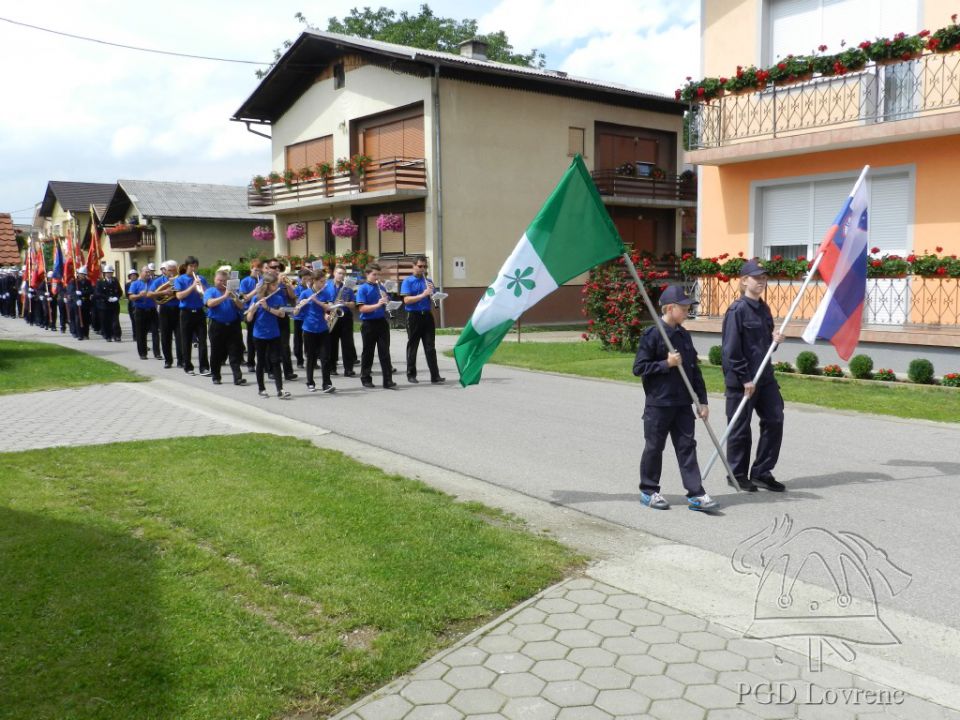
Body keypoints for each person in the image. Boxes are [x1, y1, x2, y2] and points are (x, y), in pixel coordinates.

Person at [632, 285, 718, 512]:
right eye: (684, 307)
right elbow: (639, 368)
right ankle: (649, 490)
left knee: (687, 447)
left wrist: (702, 400)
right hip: (659, 403)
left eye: (689, 307)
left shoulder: (683, 334)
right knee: (654, 448)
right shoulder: (652, 335)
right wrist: (666, 364)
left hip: (683, 403)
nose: (688, 311)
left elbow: (694, 370)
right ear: (670, 308)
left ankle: (696, 494)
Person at [721, 259, 787, 493]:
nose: (761, 281)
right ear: (744, 280)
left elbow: (762, 346)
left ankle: (761, 472)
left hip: (765, 377)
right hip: (743, 380)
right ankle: (737, 474)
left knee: (775, 419)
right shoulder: (737, 310)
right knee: (740, 428)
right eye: (756, 277)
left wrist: (774, 341)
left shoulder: (764, 308)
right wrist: (744, 378)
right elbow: (730, 351)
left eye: (763, 278)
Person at [245, 270, 291, 398]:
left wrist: (268, 308)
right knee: (260, 362)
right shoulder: (256, 298)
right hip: (259, 335)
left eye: (276, 284)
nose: (276, 287)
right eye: (274, 285)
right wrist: (252, 310)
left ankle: (280, 390)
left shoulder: (278, 297)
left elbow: (282, 314)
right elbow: (248, 319)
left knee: (276, 361)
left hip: (274, 334)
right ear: (267, 285)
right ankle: (262, 389)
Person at [400, 256, 444, 384]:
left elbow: (432, 297)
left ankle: (435, 376)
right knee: (413, 346)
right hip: (413, 316)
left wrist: (434, 296)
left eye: (425, 266)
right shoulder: (408, 281)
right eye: (420, 266)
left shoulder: (428, 281)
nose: (423, 269)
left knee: (430, 346)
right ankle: (411, 374)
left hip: (427, 316)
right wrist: (423, 294)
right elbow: (406, 300)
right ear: (414, 266)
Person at [355, 263, 396, 389]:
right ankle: (366, 378)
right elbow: (362, 308)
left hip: (382, 322)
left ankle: (387, 380)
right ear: (367, 274)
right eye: (374, 274)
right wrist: (377, 305)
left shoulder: (381, 288)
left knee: (385, 352)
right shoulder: (362, 289)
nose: (377, 277)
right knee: (368, 352)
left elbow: (387, 304)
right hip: (368, 323)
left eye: (378, 274)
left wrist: (388, 302)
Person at [204, 268, 247, 386]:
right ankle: (216, 376)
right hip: (217, 325)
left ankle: (238, 378)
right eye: (219, 280)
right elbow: (209, 303)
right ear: (214, 280)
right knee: (216, 352)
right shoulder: (211, 291)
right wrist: (224, 296)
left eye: (223, 280)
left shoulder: (233, 292)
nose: (221, 282)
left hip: (233, 325)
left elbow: (241, 306)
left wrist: (234, 297)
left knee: (235, 352)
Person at [295, 271, 335, 393]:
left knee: (325, 358)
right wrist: (300, 305)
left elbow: (328, 308)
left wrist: (325, 314)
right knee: (311, 357)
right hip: (309, 329)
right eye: (321, 282)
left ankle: (326, 384)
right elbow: (296, 313)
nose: (324, 284)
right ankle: (310, 382)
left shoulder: (326, 292)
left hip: (323, 329)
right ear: (314, 281)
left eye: (325, 281)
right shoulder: (305, 293)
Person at [174, 256, 210, 376]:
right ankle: (188, 366)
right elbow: (179, 296)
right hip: (186, 312)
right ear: (186, 266)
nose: (193, 269)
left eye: (195, 266)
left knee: (203, 340)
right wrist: (193, 286)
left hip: (199, 312)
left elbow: (207, 294)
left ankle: (204, 367)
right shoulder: (180, 280)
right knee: (186, 340)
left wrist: (202, 286)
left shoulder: (202, 278)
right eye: (191, 266)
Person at [325, 265, 358, 376]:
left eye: (343, 274)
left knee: (347, 344)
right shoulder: (326, 285)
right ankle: (332, 368)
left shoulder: (348, 287)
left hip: (345, 317)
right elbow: (323, 301)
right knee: (332, 344)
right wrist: (327, 308)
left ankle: (348, 369)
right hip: (332, 316)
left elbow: (353, 304)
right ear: (334, 273)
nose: (341, 276)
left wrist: (345, 303)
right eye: (339, 273)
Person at [150, 260, 182, 368]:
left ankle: (181, 360)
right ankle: (168, 360)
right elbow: (150, 294)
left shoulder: (180, 280)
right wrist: (163, 292)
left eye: (173, 270)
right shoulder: (159, 281)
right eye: (169, 270)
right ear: (165, 271)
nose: (171, 272)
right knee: (165, 336)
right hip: (165, 309)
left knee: (180, 336)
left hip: (178, 309)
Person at [127, 267, 158, 360]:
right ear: (141, 273)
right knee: (141, 333)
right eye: (146, 272)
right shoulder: (135, 283)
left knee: (155, 331)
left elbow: (158, 292)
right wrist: (139, 295)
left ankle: (157, 353)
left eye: (149, 272)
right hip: (140, 310)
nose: (148, 274)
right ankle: (143, 353)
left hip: (152, 310)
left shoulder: (153, 282)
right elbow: (131, 297)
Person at [238, 258, 263, 372]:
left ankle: (264, 364)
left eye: (259, 270)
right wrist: (255, 290)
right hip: (249, 311)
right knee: (251, 338)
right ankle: (251, 363)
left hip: (262, 311)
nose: (257, 272)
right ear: (251, 269)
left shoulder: (263, 280)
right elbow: (243, 298)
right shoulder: (245, 281)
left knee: (262, 338)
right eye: (255, 270)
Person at [96, 265, 123, 342]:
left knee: (115, 321)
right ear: (105, 273)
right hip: (104, 305)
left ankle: (117, 335)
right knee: (106, 321)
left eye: (111, 272)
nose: (109, 274)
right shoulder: (100, 282)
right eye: (108, 272)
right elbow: (98, 293)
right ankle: (108, 336)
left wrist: (116, 297)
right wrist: (107, 298)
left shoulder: (115, 281)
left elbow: (120, 292)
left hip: (114, 305)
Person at [73, 266, 93, 340]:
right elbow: (71, 292)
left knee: (86, 319)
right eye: (81, 274)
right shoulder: (75, 282)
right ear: (78, 274)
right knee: (78, 319)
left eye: (84, 274)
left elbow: (91, 290)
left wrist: (82, 292)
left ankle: (86, 334)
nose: (82, 276)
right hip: (78, 303)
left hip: (86, 303)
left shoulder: (88, 282)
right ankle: (80, 334)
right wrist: (76, 299)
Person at [125, 268, 139, 339]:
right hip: (131, 303)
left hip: (138, 303)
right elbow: (127, 294)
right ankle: (135, 335)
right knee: (133, 320)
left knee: (138, 320)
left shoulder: (140, 283)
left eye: (134, 275)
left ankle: (139, 335)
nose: (133, 276)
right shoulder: (127, 284)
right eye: (131, 275)